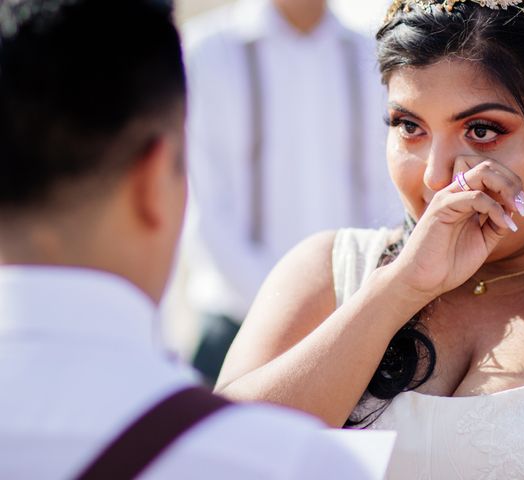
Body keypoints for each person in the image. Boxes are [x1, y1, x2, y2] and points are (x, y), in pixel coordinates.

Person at [216, 0, 524, 478]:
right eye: (409, 127)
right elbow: (214, 458)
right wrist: (399, 288)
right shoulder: (328, 270)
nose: (438, 177)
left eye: (482, 130)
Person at [0, 1, 375, 478]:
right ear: (155, 181)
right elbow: (212, 217)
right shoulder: (284, 463)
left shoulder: (368, 51)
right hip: (238, 324)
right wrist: (301, 311)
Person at [183, 0, 403, 384]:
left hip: (357, 327)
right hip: (235, 328)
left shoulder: (371, 54)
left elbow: (388, 195)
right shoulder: (208, 54)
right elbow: (204, 211)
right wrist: (290, 316)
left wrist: (355, 311)